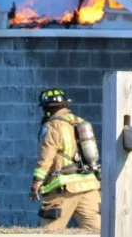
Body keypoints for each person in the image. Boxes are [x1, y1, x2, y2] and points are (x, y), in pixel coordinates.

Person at [30, 89, 101, 230]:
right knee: (97, 231)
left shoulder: (52, 126)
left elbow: (46, 158)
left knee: (49, 230)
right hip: (89, 185)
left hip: (63, 188)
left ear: (46, 108)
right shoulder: (80, 122)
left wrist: (36, 182)